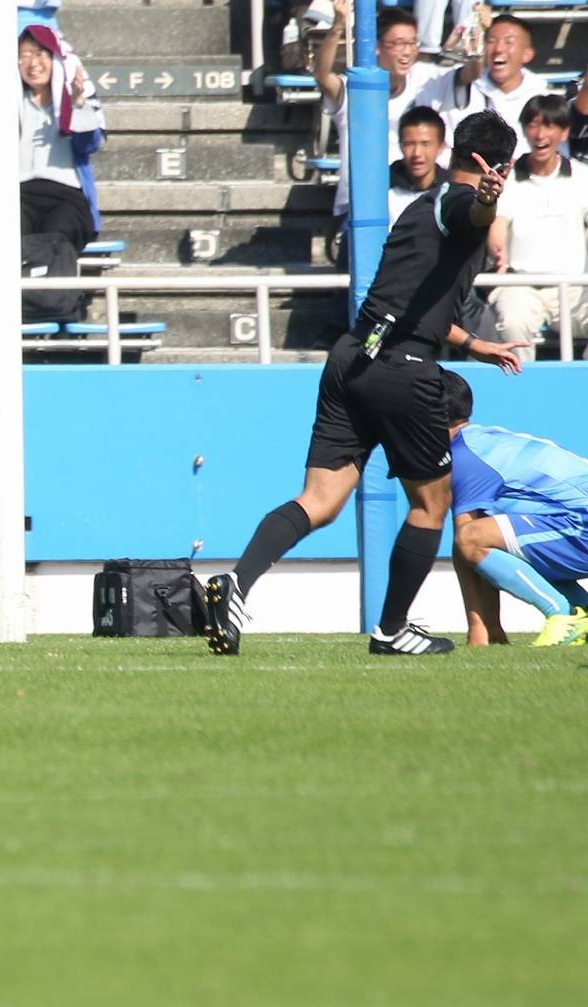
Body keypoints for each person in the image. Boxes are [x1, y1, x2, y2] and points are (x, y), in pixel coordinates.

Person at [205, 109, 523, 660]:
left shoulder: (417, 209)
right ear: (499, 166)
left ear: (450, 150)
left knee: (320, 500)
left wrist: (474, 344)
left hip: (352, 358)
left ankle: (237, 583)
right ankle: (392, 628)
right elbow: (471, 211)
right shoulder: (454, 204)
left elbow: (416, 303)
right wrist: (489, 200)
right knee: (431, 503)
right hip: (401, 371)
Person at [444, 375, 588, 648]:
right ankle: (583, 610)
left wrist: (479, 628)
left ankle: (563, 613)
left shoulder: (464, 457)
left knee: (471, 537)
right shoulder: (486, 438)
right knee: (495, 539)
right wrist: (492, 627)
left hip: (582, 524)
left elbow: (467, 541)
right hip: (574, 520)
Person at [318, 0, 455, 226]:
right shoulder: (355, 90)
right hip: (360, 205)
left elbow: (469, 73)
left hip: (414, 198)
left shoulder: (423, 78)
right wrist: (338, 25)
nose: (407, 51)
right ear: (377, 46)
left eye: (412, 43)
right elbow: (323, 76)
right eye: (398, 43)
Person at [486, 96, 587, 356]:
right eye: (532, 125)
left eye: (549, 126)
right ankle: (522, 392)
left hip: (574, 287)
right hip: (520, 285)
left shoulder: (582, 177)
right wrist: (498, 251)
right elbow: (498, 224)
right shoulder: (507, 179)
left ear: (564, 132)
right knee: (512, 324)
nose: (540, 134)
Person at [12, 23, 105, 254]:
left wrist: (78, 104)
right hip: (17, 194)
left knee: (56, 237)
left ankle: (47, 291)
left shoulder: (68, 103)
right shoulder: (9, 102)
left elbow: (89, 144)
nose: (33, 63)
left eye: (40, 54)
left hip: (65, 195)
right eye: (24, 55)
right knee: (7, 235)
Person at [447, 11, 548, 145]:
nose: (498, 49)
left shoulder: (541, 98)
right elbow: (469, 69)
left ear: (527, 54)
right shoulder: (470, 83)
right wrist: (477, 27)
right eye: (491, 41)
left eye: (509, 42)